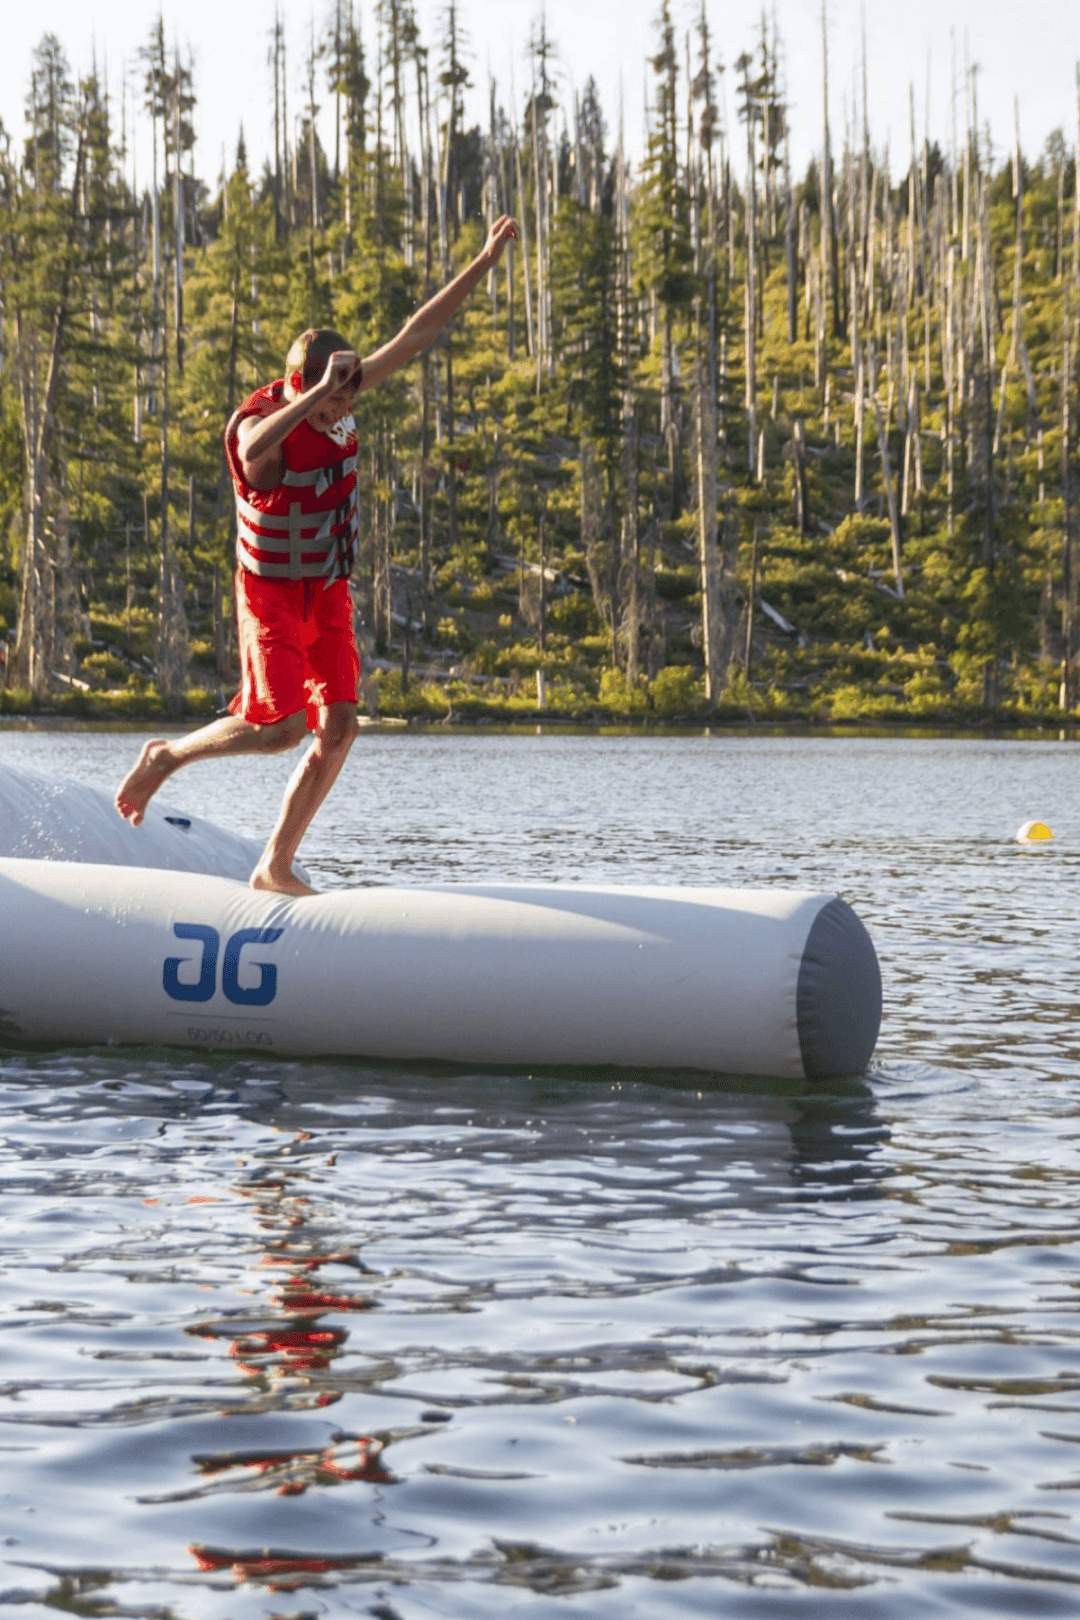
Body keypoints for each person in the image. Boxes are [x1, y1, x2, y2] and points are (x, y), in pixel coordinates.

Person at [115, 214, 518, 896]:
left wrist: (482, 261)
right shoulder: (262, 428)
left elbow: (416, 334)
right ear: (300, 389)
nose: (337, 413)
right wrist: (313, 397)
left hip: (326, 588)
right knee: (279, 730)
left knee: (339, 727)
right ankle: (166, 757)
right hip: (269, 593)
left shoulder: (347, 391)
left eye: (344, 400)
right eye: (326, 402)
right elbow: (251, 449)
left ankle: (274, 865)